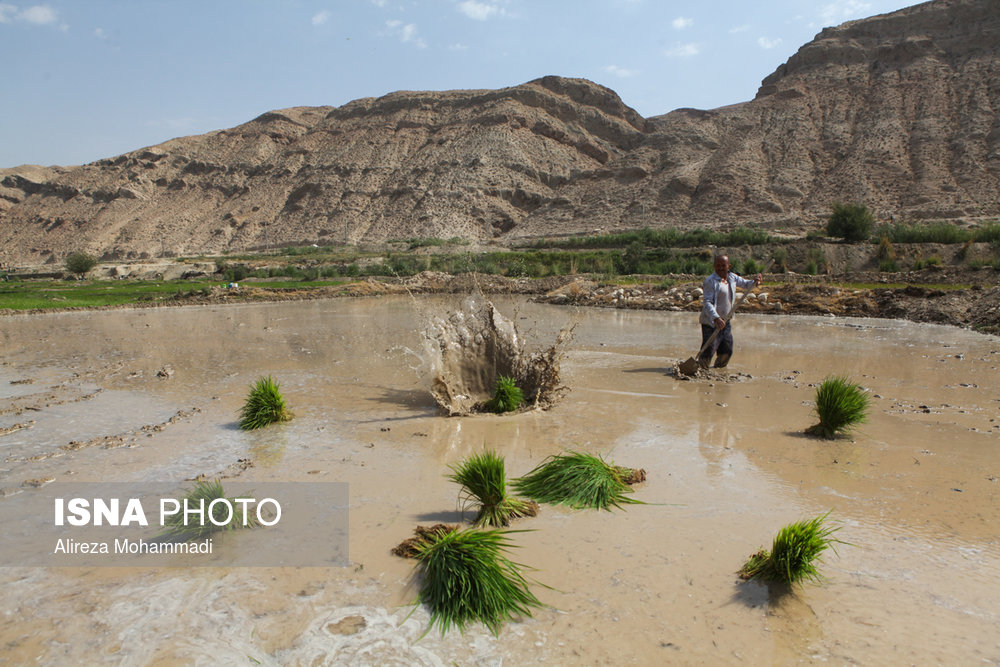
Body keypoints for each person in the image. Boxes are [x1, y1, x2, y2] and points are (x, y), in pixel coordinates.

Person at [698, 254, 762, 369]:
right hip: (711, 322)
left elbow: (746, 284)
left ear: (729, 266)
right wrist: (716, 318)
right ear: (714, 266)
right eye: (718, 265)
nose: (721, 268)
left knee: (727, 349)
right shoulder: (710, 281)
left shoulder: (732, 277)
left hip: (726, 321)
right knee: (709, 349)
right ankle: (701, 369)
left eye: (723, 265)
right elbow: (707, 303)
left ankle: (719, 369)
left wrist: (755, 281)